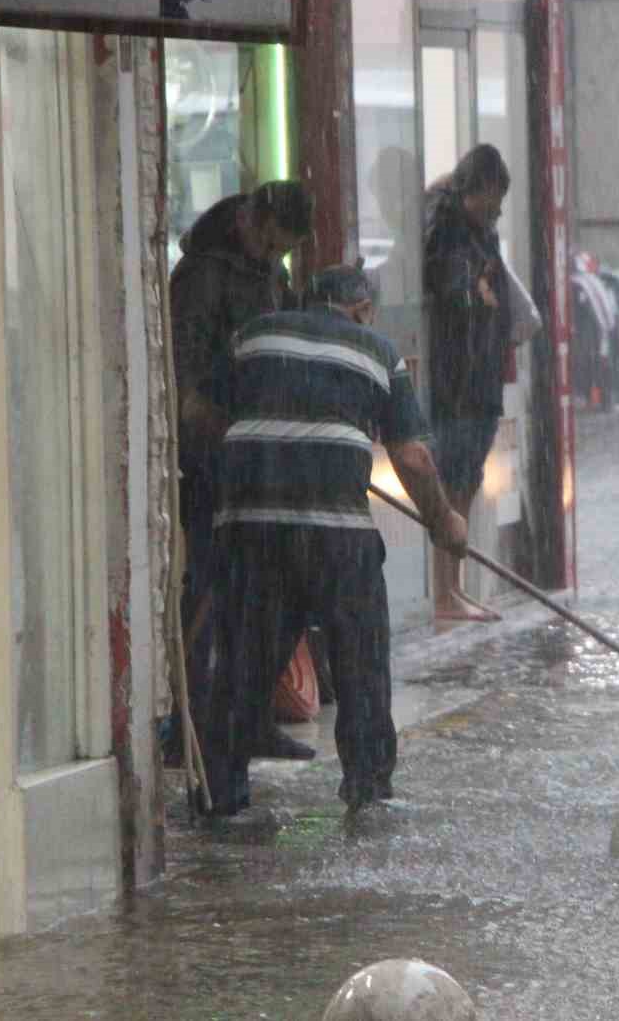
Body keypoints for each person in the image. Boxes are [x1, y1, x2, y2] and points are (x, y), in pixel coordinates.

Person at [200, 264, 468, 816]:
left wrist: (254, 460)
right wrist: (444, 521)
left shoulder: (253, 335)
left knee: (243, 660)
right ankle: (367, 790)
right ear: (363, 310)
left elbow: (198, 412)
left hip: (251, 528)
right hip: (336, 538)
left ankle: (220, 795)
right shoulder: (377, 351)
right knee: (361, 658)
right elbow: (413, 457)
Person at [169, 179, 314, 764]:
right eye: (272, 244)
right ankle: (191, 728)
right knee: (208, 592)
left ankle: (248, 718)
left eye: (284, 252)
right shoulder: (203, 277)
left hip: (264, 458)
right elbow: (185, 379)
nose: (275, 258)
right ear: (252, 220)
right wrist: (221, 433)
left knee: (266, 596)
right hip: (214, 462)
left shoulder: (267, 276)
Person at [422, 144, 514, 623]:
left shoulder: (480, 231)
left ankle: (453, 589)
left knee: (465, 484)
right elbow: (452, 294)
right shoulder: (449, 227)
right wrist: (476, 294)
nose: (496, 210)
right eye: (492, 199)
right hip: (457, 380)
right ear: (474, 188)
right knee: (450, 485)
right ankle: (444, 592)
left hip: (478, 377)